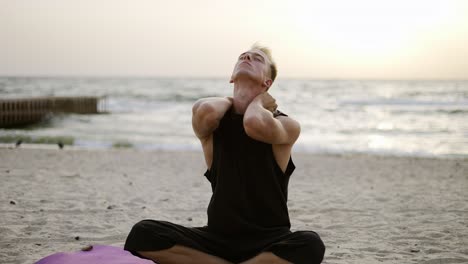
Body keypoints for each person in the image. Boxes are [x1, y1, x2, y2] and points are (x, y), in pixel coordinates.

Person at [124, 44, 325, 264]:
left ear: (267, 83)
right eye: (242, 57)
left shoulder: (285, 124)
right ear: (232, 77)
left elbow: (253, 124)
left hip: (268, 240)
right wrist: (237, 100)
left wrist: (257, 101)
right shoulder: (212, 122)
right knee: (142, 233)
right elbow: (205, 111)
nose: (247, 56)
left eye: (257, 59)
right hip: (216, 239)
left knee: (311, 244)